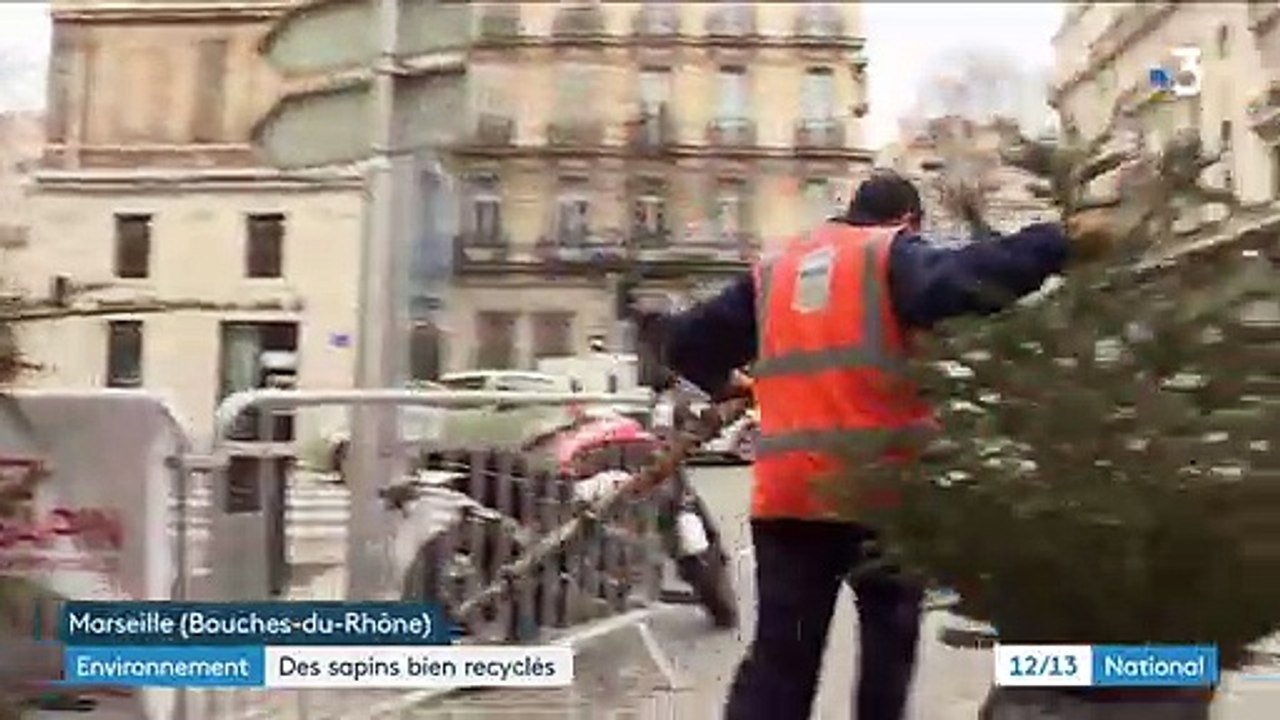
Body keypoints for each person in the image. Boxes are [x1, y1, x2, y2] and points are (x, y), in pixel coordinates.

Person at [629, 170, 1121, 720]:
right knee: (886, 659)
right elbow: (967, 279)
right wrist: (1060, 240)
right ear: (907, 222)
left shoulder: (776, 271)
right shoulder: (890, 255)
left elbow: (689, 345)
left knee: (781, 664)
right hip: (882, 498)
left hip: (790, 499)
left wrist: (730, 385)